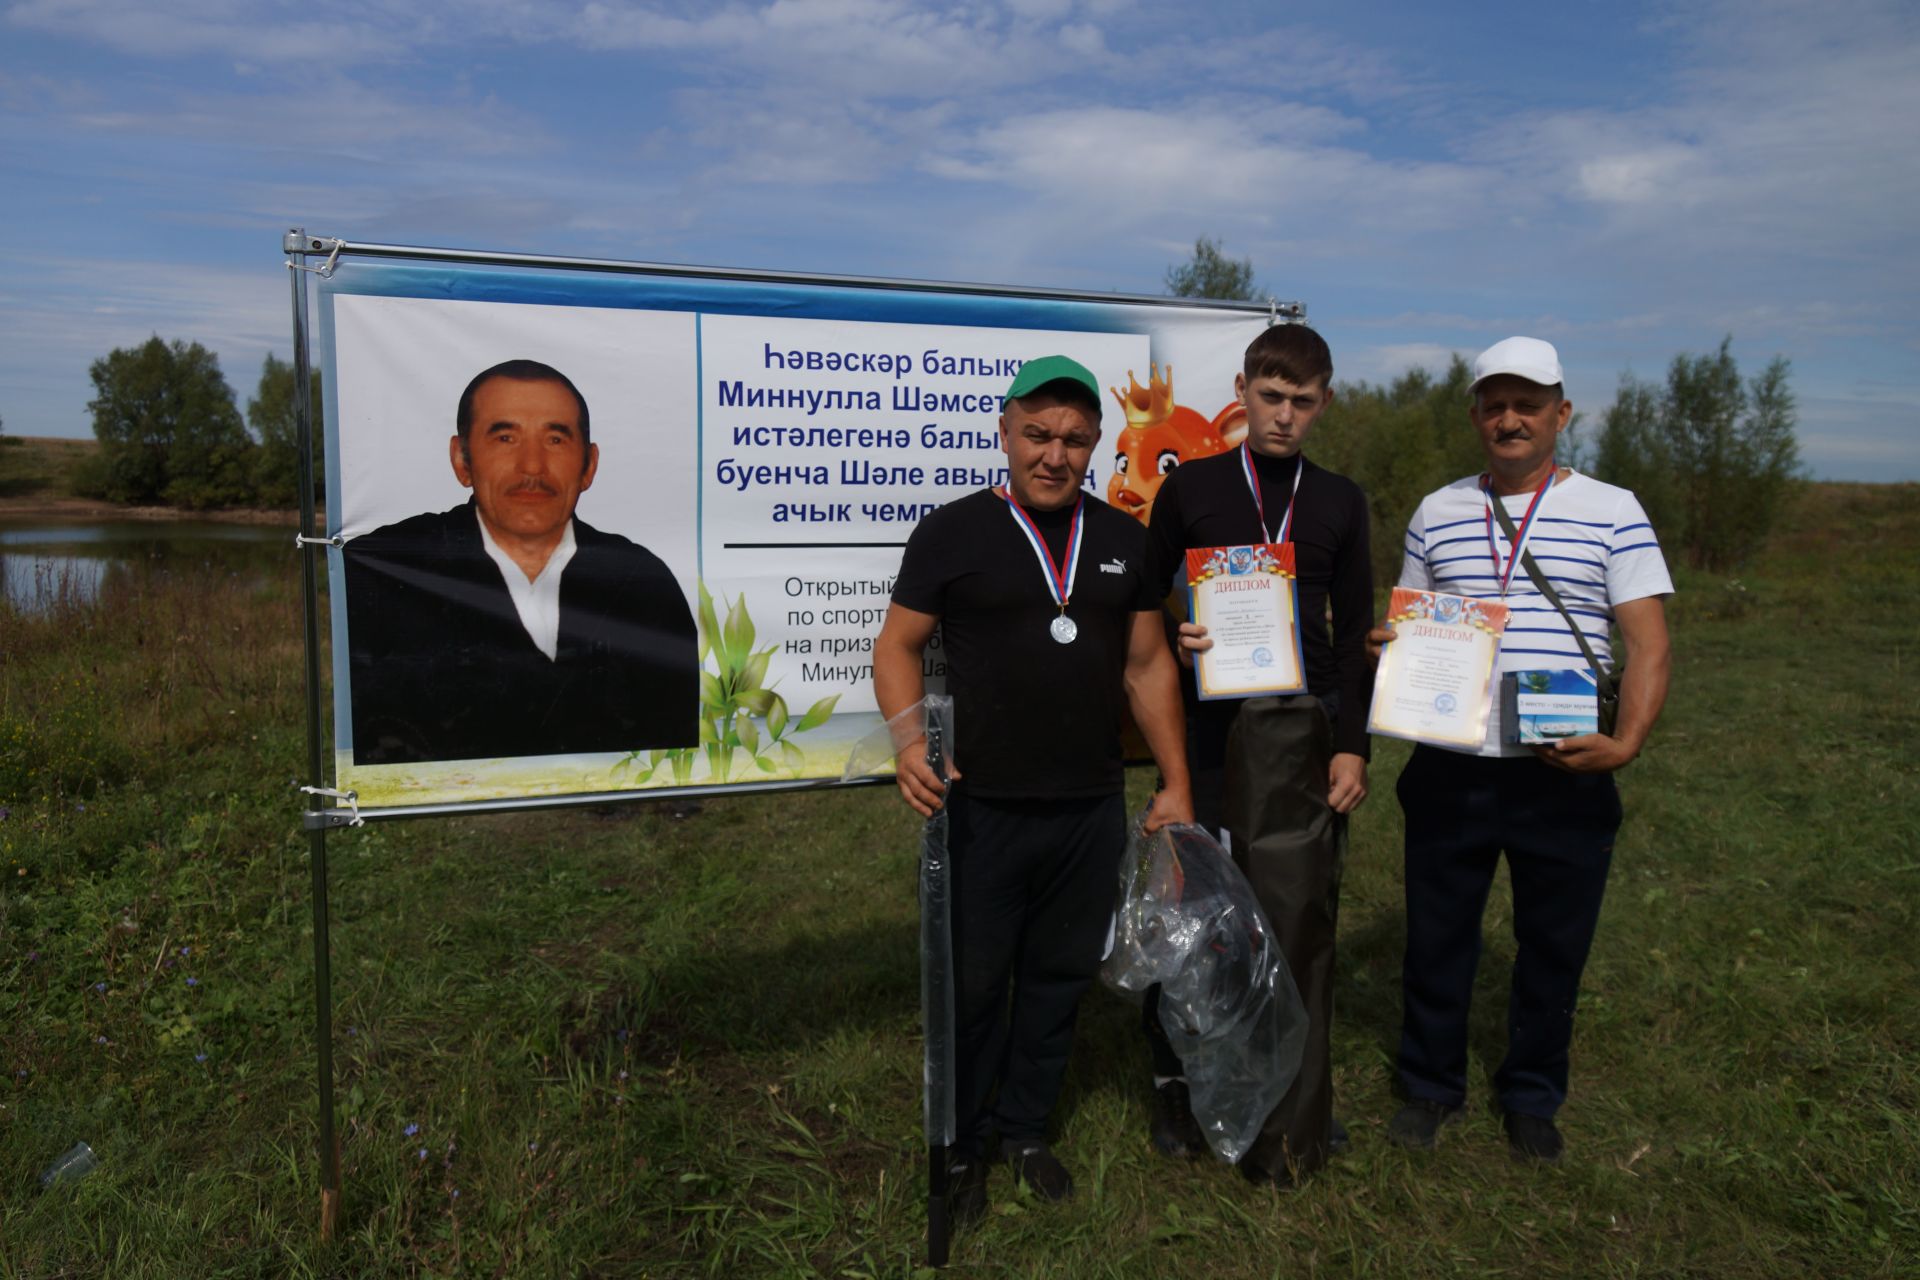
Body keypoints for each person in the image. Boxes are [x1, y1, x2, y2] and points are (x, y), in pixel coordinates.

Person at [872, 354, 1194, 1227]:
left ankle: (1024, 1129)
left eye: (1075, 439)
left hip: (1087, 806)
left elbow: (1147, 665)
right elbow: (897, 646)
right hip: (979, 806)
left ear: (1095, 445)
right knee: (976, 987)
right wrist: (908, 744)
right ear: (1007, 432)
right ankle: (966, 1141)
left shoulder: (1125, 541)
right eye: (1039, 435)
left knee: (1057, 980)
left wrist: (1176, 781)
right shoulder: (952, 534)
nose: (1055, 454)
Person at [1374, 336, 1673, 1163]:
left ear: (1561, 414)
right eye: (1495, 405)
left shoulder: (1614, 507)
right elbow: (1413, 624)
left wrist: (1628, 743)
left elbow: (1647, 641)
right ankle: (1430, 1085)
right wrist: (1389, 649)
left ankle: (1533, 1095)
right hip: (1451, 764)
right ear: (1475, 415)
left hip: (1564, 766)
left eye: (1528, 405)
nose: (1511, 420)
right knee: (1437, 935)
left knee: (1554, 943)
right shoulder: (1436, 510)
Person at [1140, 323, 1373, 1183]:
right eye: (1270, 398)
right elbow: (1139, 603)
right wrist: (1177, 624)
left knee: (1295, 918)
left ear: (1325, 402)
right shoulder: (1193, 488)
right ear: (1242, 389)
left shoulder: (1340, 501)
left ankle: (1294, 1097)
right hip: (1205, 738)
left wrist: (1353, 752)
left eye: (1301, 402)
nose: (1283, 417)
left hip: (1300, 743)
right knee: (1201, 920)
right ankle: (1180, 1083)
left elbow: (1354, 640)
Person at [343, 359, 699, 765]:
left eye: (556, 440)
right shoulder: (387, 568)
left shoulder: (642, 581)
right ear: (462, 460)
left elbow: (674, 746)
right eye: (505, 438)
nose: (532, 467)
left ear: (589, 465)